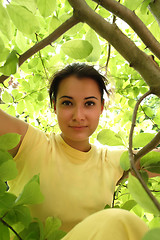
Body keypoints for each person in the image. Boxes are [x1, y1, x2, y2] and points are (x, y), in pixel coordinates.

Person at [0, 63, 149, 239]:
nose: (78, 115)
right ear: (55, 106)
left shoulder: (112, 159)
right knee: (121, 220)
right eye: (68, 103)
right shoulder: (31, 144)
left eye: (89, 103)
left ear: (101, 108)